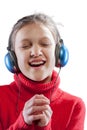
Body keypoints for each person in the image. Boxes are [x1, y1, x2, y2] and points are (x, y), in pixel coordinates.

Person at [0, 13, 86, 130]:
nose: (36, 52)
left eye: (45, 44)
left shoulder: (75, 106)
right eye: (25, 46)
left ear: (59, 53)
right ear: (12, 59)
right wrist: (22, 124)